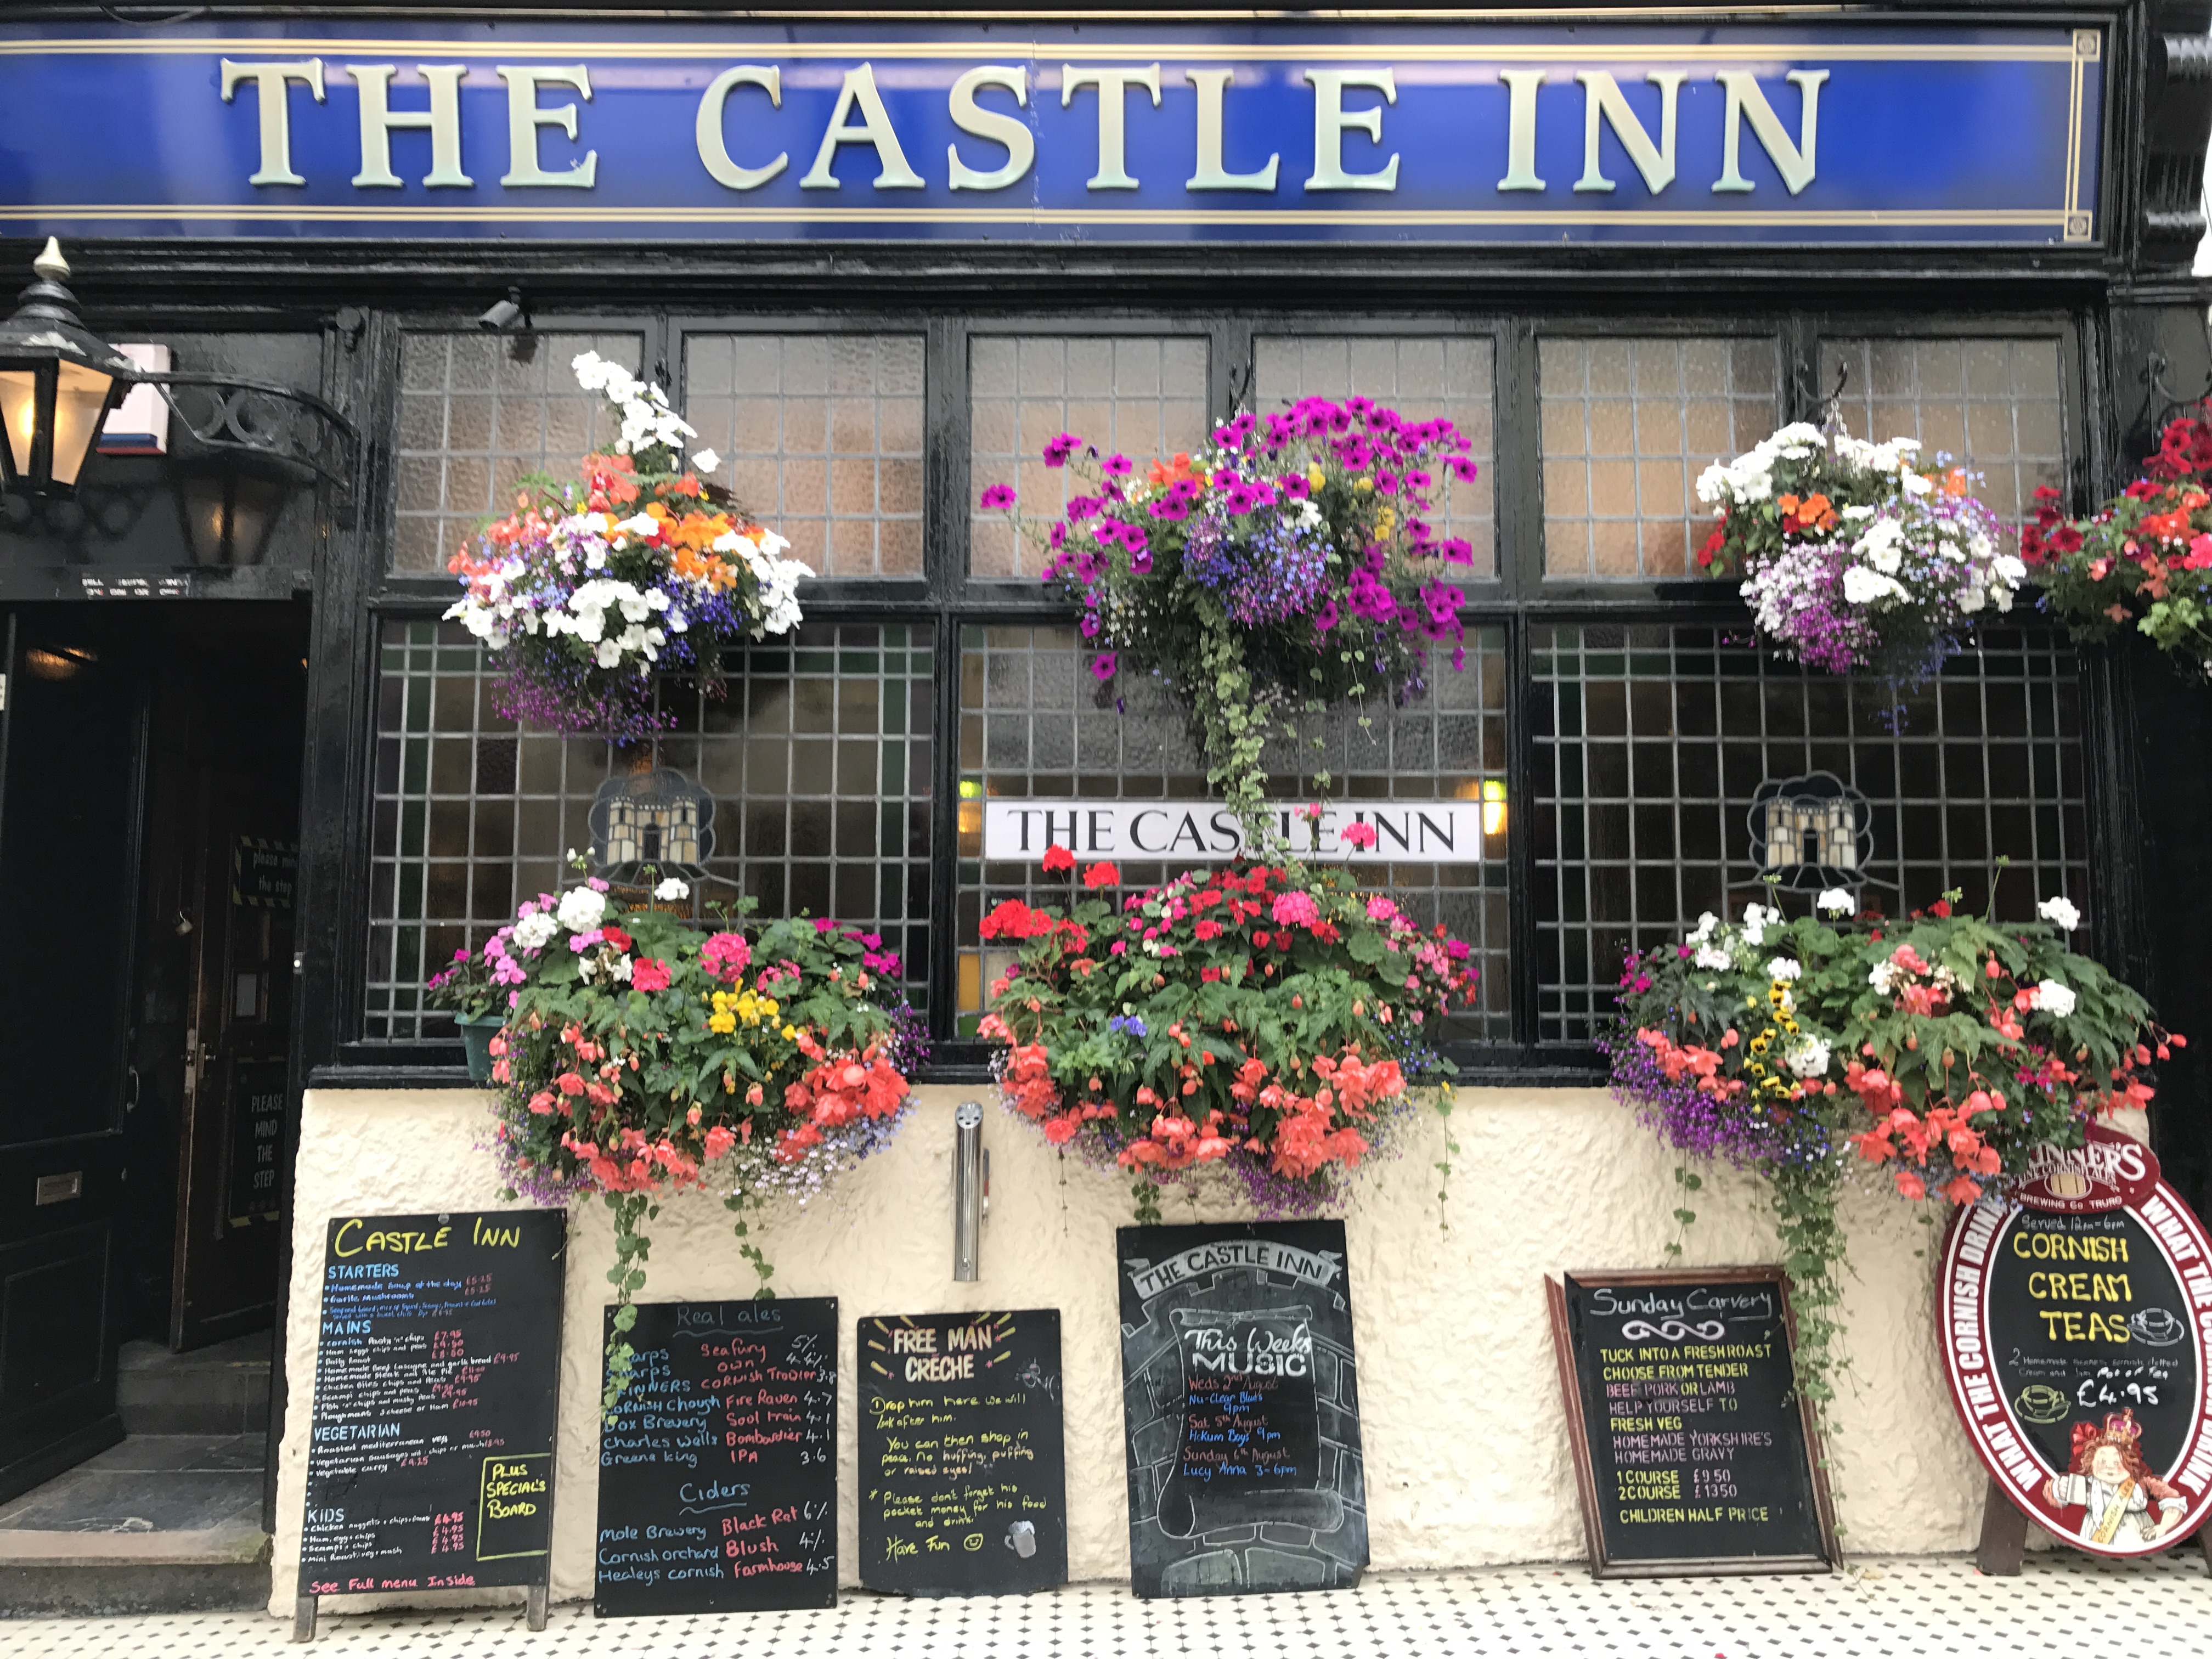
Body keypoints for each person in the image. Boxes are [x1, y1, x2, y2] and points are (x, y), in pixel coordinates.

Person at [2040, 1409, 2187, 1545]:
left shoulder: (2142, 1484)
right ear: (2091, 1462)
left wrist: (2162, 1527)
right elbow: (2052, 1495)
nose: (2109, 1467)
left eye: (2117, 1462)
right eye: (2103, 1461)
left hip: (2137, 1538)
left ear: (2129, 1462)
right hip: (2094, 1538)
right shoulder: (2087, 1483)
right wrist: (2058, 1490)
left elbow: (2173, 1500)